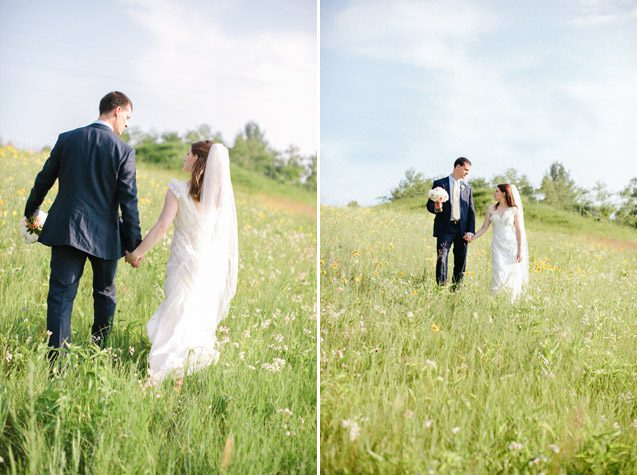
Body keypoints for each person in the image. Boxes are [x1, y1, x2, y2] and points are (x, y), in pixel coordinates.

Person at [23, 91, 141, 355]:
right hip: (106, 236)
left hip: (67, 229)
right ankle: (96, 354)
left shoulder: (68, 139)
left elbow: (44, 179)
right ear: (117, 111)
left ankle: (58, 365)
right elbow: (128, 202)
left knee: (61, 297)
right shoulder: (122, 151)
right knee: (105, 295)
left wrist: (31, 211)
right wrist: (133, 244)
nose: (127, 124)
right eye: (128, 117)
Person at [126, 141, 238, 384]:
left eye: (189, 154)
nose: (185, 156)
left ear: (198, 161)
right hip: (206, 269)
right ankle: (177, 379)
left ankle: (154, 377)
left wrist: (136, 253)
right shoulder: (220, 200)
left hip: (182, 266)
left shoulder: (178, 191)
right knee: (190, 319)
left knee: (174, 315)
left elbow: (162, 227)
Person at [470, 184, 529, 301]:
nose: (494, 193)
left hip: (511, 246)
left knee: (512, 273)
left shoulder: (514, 210)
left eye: (497, 191)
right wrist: (472, 237)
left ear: (504, 193)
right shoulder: (491, 209)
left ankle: (511, 300)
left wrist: (520, 251)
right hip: (497, 246)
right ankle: (496, 298)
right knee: (498, 272)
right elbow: (484, 228)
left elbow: (519, 231)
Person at [426, 157, 476, 288]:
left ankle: (456, 289)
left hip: (462, 230)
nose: (467, 173)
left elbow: (471, 212)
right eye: (465, 169)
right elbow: (429, 205)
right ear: (457, 167)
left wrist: (471, 231)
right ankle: (441, 288)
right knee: (442, 259)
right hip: (445, 228)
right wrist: (436, 206)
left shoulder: (468, 188)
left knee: (461, 261)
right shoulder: (439, 183)